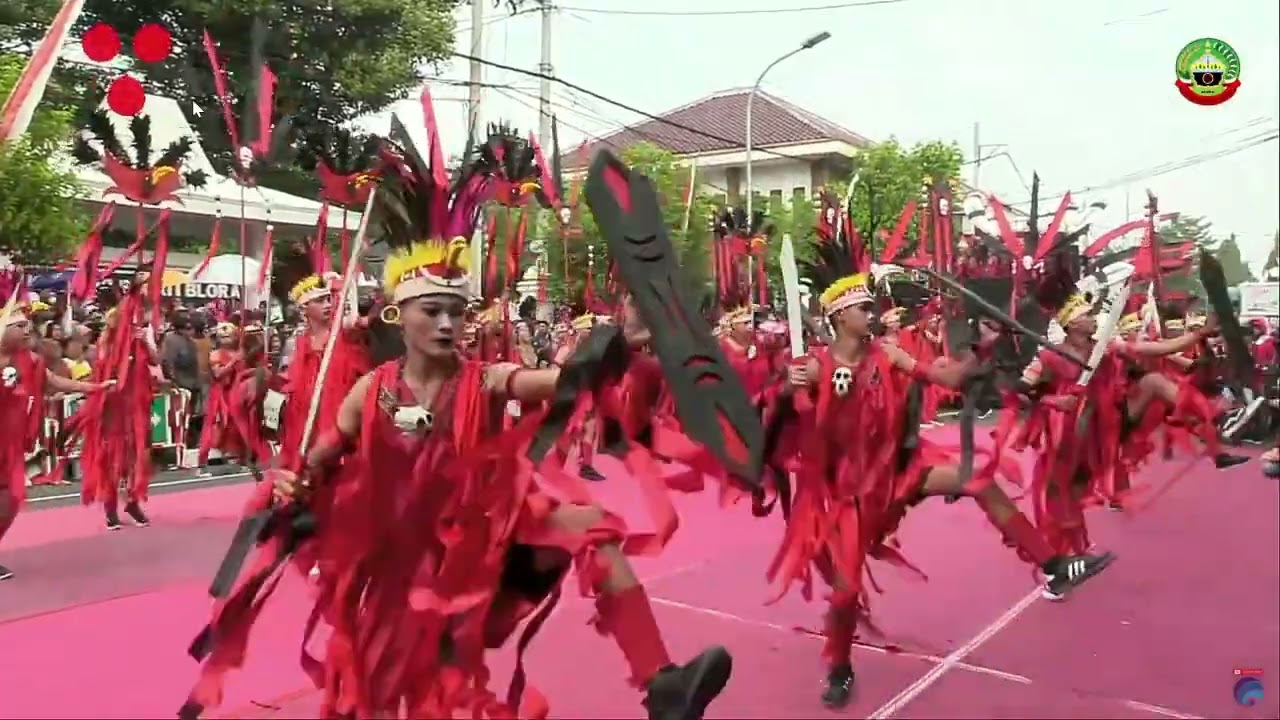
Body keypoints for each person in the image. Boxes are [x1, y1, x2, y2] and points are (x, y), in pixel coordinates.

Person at [186, 141, 733, 719]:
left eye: (457, 311)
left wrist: (620, 344)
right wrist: (295, 482)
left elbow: (560, 380)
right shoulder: (366, 393)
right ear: (399, 316)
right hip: (401, 570)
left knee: (589, 529)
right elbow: (316, 462)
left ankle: (662, 684)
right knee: (389, 694)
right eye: (433, 311)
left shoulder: (488, 378)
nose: (448, 323)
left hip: (482, 550)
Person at [771, 266, 1114, 710]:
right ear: (838, 316)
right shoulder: (813, 366)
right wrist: (786, 389)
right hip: (845, 495)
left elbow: (949, 379)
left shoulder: (889, 355)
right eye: (861, 308)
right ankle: (839, 665)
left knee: (976, 479)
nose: (871, 313)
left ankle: (1053, 565)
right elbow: (785, 419)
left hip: (899, 469)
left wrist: (983, 346)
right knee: (845, 592)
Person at [1, 300, 114, 580]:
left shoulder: (32, 360)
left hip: (10, 446)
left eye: (28, 326)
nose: (28, 331)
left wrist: (94, 387)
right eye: (19, 326)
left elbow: (53, 382)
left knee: (12, 499)